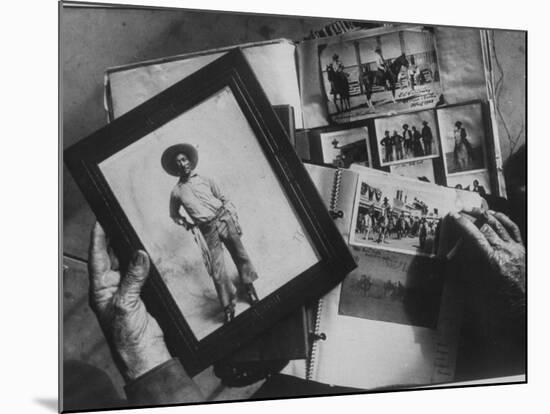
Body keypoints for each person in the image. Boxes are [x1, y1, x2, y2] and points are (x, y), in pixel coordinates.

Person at [162, 143, 259, 324]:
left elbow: (224, 198)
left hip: (223, 219)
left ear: (190, 161)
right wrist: (187, 224)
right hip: (206, 230)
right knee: (217, 270)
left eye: (184, 159)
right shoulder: (176, 192)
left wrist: (231, 217)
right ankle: (228, 306)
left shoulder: (206, 179)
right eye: (178, 162)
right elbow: (174, 215)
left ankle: (249, 289)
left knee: (241, 255)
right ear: (175, 168)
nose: (182, 164)